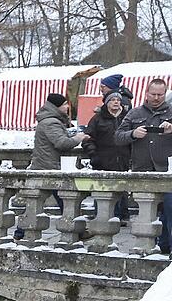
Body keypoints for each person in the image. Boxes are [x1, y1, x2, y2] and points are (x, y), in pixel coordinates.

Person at [115, 78, 172, 252]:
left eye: (160, 95)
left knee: (169, 210)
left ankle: (166, 246)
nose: (156, 98)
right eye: (153, 94)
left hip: (167, 171)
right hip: (143, 170)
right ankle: (149, 247)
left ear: (165, 94)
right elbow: (117, 137)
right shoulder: (134, 113)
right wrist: (133, 133)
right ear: (146, 93)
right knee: (147, 213)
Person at [83, 92, 129, 220]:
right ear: (106, 102)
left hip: (123, 158)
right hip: (103, 159)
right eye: (112, 100)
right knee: (102, 190)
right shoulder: (98, 118)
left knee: (122, 188)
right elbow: (88, 138)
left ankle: (122, 216)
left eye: (118, 100)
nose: (115, 102)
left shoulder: (127, 117)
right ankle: (102, 216)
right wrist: (93, 155)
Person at [29, 93, 87, 171]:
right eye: (65, 104)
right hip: (47, 167)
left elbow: (59, 137)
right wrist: (78, 138)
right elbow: (62, 143)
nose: (68, 107)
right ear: (56, 107)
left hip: (46, 165)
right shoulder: (51, 123)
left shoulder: (50, 120)